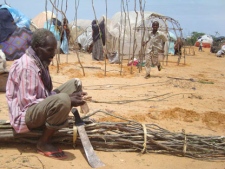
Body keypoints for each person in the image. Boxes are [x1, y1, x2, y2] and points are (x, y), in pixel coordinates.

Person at [6, 28, 88, 159]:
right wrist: (66, 99)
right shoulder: (27, 67)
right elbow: (27, 104)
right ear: (37, 48)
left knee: (74, 83)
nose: (53, 54)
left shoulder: (39, 60)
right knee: (63, 100)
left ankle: (62, 112)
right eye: (49, 50)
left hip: (39, 102)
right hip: (25, 116)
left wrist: (62, 97)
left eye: (54, 50)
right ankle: (44, 142)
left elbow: (44, 94)